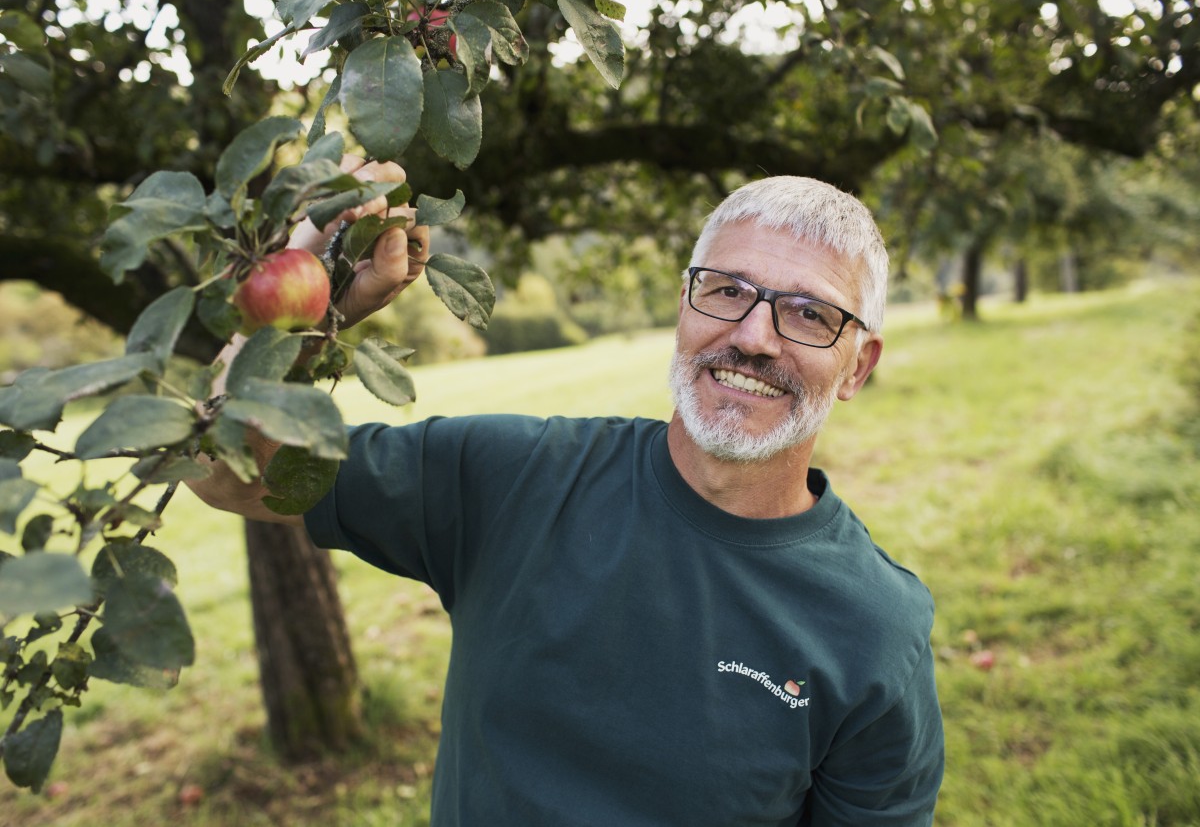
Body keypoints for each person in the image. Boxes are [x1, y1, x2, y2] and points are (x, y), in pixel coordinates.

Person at [191, 161, 945, 826]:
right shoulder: (511, 476)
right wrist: (308, 301)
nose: (753, 335)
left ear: (857, 366)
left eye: (810, 313)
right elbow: (218, 466)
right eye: (726, 290)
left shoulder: (874, 629)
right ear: (684, 306)